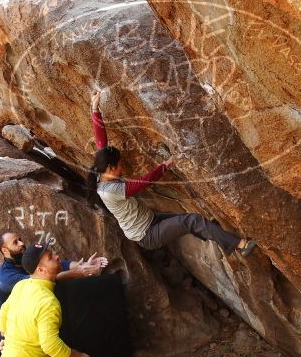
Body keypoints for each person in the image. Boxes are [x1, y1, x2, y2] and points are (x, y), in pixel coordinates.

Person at [87, 89, 257, 256]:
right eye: (119, 165)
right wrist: (166, 165)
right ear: (110, 168)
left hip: (149, 219)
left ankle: (218, 236)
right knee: (192, 221)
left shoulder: (101, 172)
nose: (121, 167)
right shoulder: (110, 191)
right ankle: (240, 245)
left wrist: (95, 109)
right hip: (147, 234)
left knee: (189, 220)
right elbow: (143, 183)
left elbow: (102, 142)